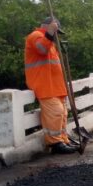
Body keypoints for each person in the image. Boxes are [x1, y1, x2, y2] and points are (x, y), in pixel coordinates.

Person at [24, 16, 76, 154]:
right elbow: (41, 49)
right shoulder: (36, 36)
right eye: (56, 31)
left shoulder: (51, 42)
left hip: (56, 86)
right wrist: (50, 33)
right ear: (48, 27)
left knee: (63, 113)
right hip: (44, 85)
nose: (57, 35)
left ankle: (63, 139)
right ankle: (55, 142)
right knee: (56, 113)